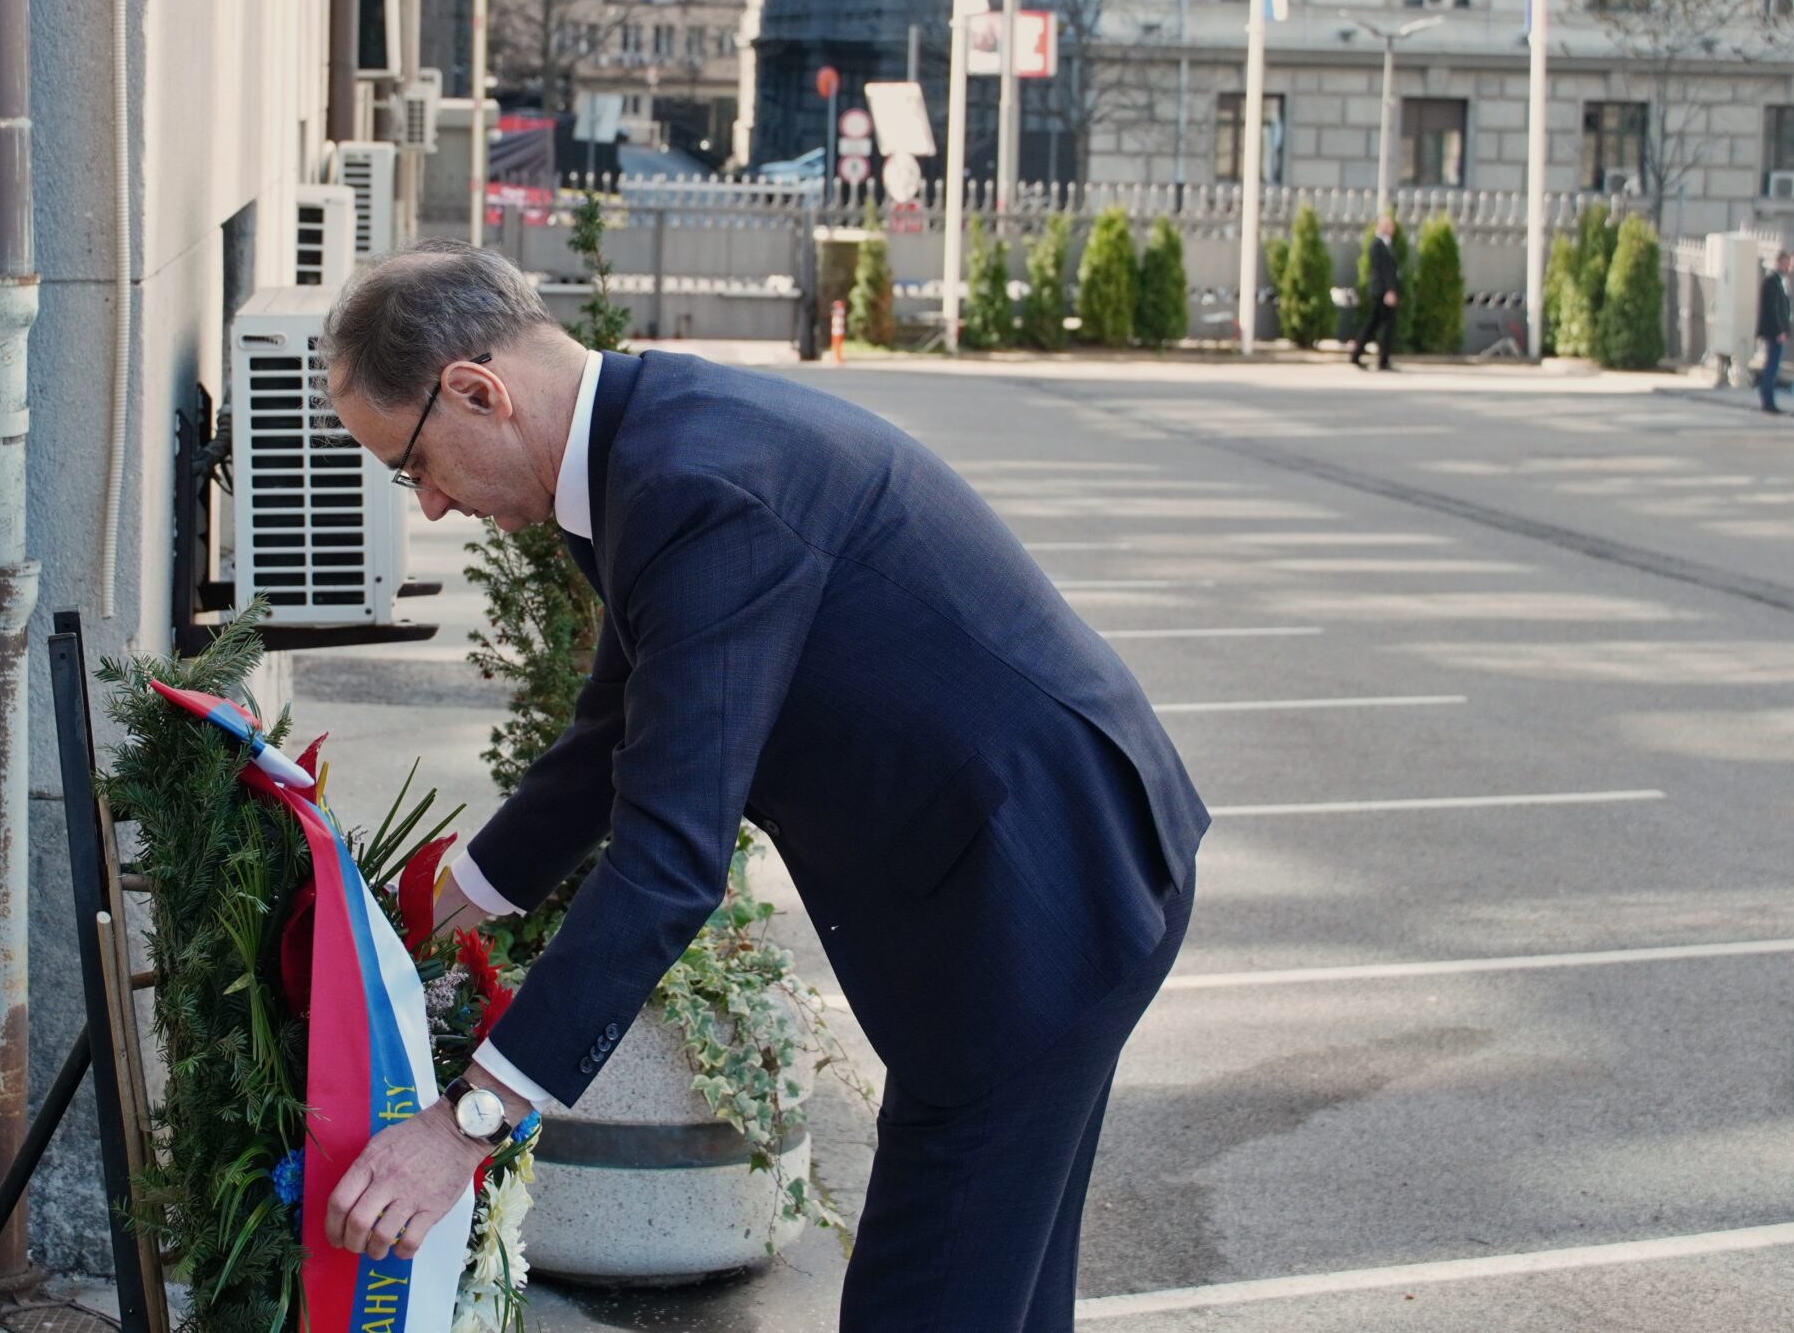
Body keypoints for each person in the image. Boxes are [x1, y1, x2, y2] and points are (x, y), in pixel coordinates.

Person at [316, 242, 1208, 1332]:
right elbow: (615, 735)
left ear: (476, 391)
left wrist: (470, 1121)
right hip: (1031, 865)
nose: (430, 505)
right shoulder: (643, 446)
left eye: (413, 463)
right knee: (993, 1294)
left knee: (930, 1298)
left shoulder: (691, 488)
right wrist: (431, 911)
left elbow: (667, 862)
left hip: (1041, 898)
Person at [1351, 211, 1401, 370]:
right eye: (1387, 225)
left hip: (1383, 291)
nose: (1391, 228)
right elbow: (1383, 270)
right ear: (1381, 227)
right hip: (1382, 292)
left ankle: (1358, 354)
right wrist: (1390, 290)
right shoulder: (1378, 245)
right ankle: (1381, 360)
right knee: (1381, 325)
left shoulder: (1386, 244)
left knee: (1374, 324)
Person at [1757, 248, 1794, 414]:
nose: (1788, 267)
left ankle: (1767, 398)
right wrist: (1780, 330)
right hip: (1774, 332)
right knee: (1771, 366)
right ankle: (1768, 401)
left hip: (1776, 331)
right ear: (1779, 263)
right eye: (1785, 263)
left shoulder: (1780, 281)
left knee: (1772, 365)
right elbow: (1774, 309)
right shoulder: (1772, 281)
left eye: (1789, 264)